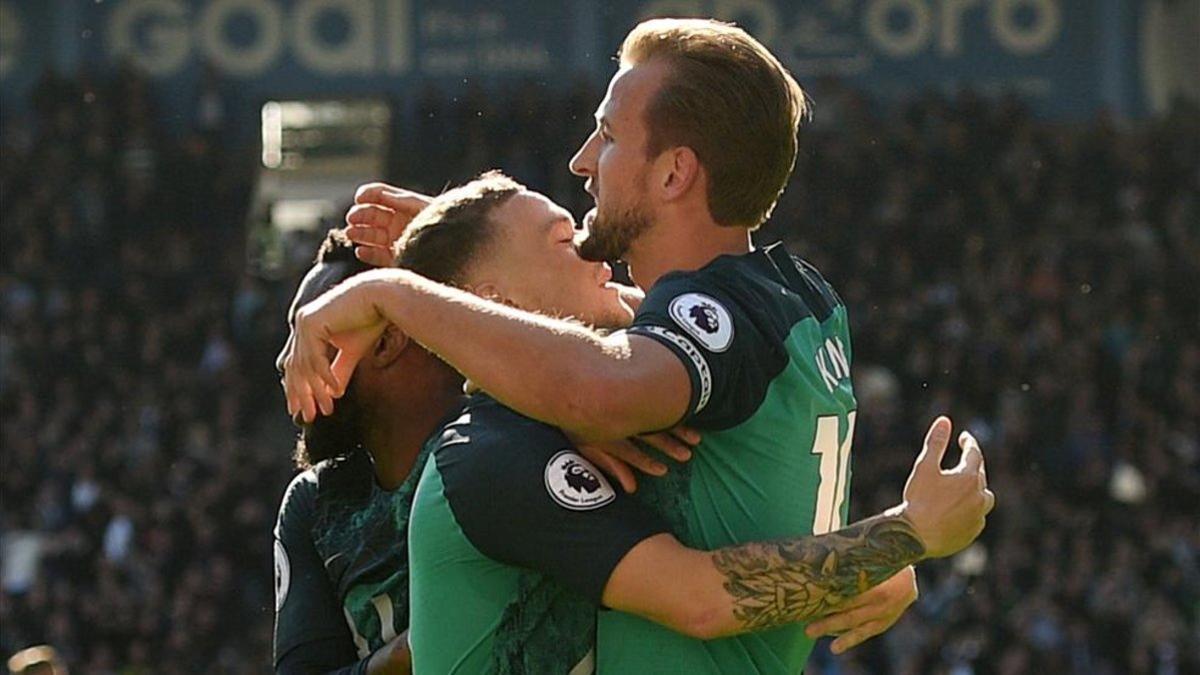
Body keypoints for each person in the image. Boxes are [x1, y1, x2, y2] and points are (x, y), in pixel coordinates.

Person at [281, 19, 994, 672]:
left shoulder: (636, 364)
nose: (582, 160)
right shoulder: (797, 298)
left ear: (674, 172)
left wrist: (398, 291)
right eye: (561, 241)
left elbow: (599, 381)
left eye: (609, 135)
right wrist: (882, 547)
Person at [271, 230, 465, 674]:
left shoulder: (500, 449)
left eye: (306, 330)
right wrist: (408, 653)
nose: (286, 360)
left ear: (385, 341)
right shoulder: (317, 504)